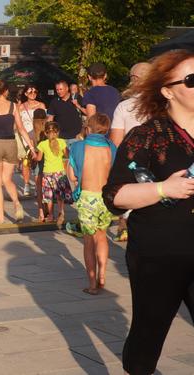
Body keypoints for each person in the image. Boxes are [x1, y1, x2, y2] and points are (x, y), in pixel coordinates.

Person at [102, 49, 194, 375]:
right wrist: (162, 189)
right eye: (192, 80)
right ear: (168, 90)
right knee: (148, 337)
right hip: (159, 254)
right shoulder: (147, 135)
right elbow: (114, 196)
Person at [67, 113, 116, 295]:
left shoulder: (78, 147)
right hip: (104, 197)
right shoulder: (112, 147)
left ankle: (92, 284)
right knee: (102, 236)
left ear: (88, 128)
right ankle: (102, 275)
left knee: (88, 241)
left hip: (87, 197)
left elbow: (71, 175)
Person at [0, 79, 34, 223]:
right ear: (5, 91)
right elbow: (21, 129)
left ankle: (1, 216)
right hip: (10, 143)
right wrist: (31, 147)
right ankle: (16, 203)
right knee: (7, 179)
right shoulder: (14, 106)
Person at [110, 61, 151, 242]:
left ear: (135, 80)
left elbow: (116, 142)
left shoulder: (124, 107)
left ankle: (124, 224)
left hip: (132, 164)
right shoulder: (166, 103)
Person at [34, 122, 72, 224]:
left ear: (46, 133)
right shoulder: (62, 142)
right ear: (58, 132)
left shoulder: (42, 144)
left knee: (49, 196)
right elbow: (67, 154)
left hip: (47, 173)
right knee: (60, 195)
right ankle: (61, 211)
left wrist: (34, 155)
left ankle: (50, 215)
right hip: (59, 173)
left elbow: (39, 158)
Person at [18, 84, 47, 196]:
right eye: (30, 92)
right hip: (26, 137)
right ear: (25, 94)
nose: (33, 94)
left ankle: (38, 185)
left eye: (35, 92)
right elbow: (19, 124)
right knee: (27, 162)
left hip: (40, 136)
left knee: (40, 162)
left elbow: (45, 122)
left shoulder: (41, 105)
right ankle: (26, 184)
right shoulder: (20, 107)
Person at [47, 81, 83, 146]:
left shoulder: (77, 98)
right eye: (57, 90)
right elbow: (50, 119)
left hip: (76, 136)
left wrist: (82, 133)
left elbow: (87, 113)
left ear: (67, 88)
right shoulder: (54, 102)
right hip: (61, 137)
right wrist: (50, 133)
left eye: (61, 89)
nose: (59, 92)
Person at [31, 109, 48, 221]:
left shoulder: (32, 133)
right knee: (48, 188)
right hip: (49, 164)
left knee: (39, 188)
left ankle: (41, 212)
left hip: (37, 162)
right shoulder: (49, 132)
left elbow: (31, 150)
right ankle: (49, 211)